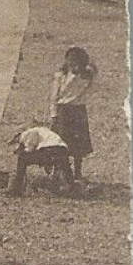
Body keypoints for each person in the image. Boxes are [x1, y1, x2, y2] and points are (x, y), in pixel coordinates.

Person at [49, 46, 97, 183]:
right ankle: (57, 172)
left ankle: (77, 173)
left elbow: (94, 72)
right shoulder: (61, 76)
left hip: (78, 111)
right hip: (63, 111)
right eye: (70, 61)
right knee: (60, 143)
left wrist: (84, 71)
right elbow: (54, 97)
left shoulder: (86, 77)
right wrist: (54, 115)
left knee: (78, 144)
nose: (73, 64)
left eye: (76, 61)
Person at [8, 123, 75, 195]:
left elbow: (30, 148)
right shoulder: (43, 130)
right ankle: (72, 188)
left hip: (49, 149)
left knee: (22, 158)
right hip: (62, 149)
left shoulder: (26, 133)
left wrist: (24, 151)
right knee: (65, 167)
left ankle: (16, 188)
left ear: (17, 135)